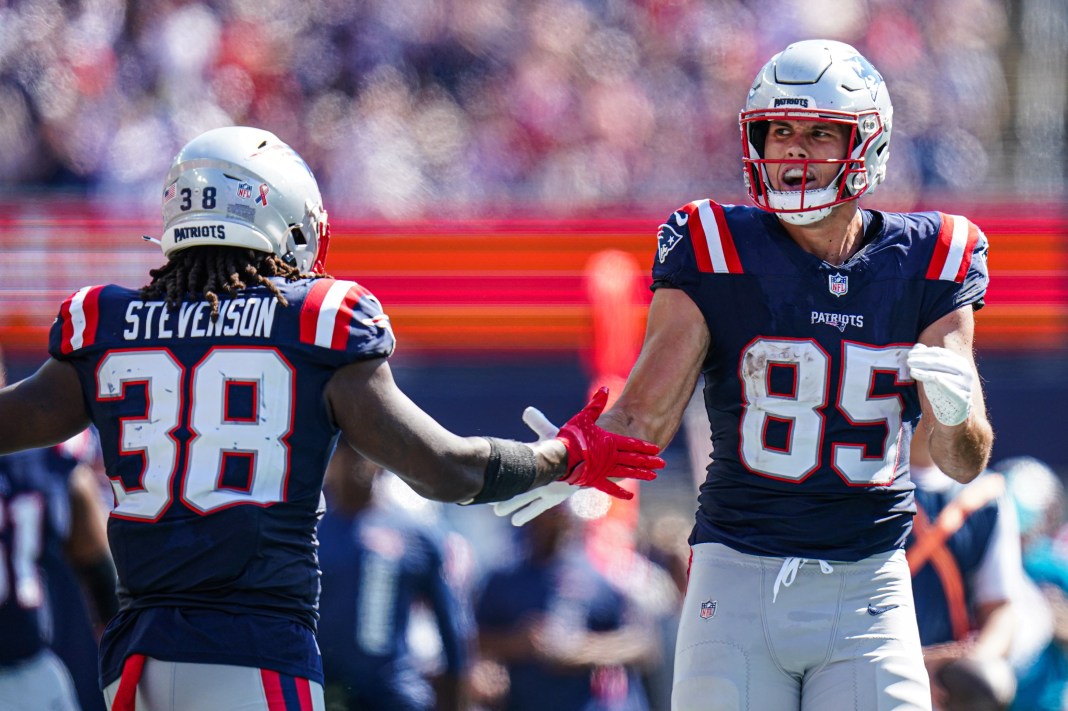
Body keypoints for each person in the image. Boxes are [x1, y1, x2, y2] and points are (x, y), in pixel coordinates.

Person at [0, 125, 664, 711]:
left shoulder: (105, 323)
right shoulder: (313, 320)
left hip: (137, 661)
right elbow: (446, 468)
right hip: (255, 652)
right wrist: (567, 454)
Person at [496, 39, 994, 710]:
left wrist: (959, 414)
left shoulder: (933, 256)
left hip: (869, 584)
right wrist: (561, 458)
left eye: (821, 133)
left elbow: (961, 460)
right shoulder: (713, 245)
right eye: (779, 131)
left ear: (870, 143)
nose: (795, 152)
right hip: (735, 581)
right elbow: (643, 417)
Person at [317, 441, 472, 711]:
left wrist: (456, 700)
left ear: (382, 461)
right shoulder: (309, 533)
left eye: (362, 451)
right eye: (343, 453)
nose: (353, 463)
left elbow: (452, 627)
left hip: (392, 692)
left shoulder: (417, 534)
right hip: (324, 688)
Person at [0, 357, 118, 711]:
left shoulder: (50, 456)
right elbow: (96, 562)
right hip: (27, 667)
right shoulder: (48, 453)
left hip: (28, 668)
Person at [474, 502, 657, 711]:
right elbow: (471, 640)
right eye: (546, 513)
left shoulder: (599, 576)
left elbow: (642, 643)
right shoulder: (503, 579)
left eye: (559, 513)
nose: (552, 521)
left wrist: (581, 649)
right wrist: (516, 643)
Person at [906, 426, 1023, 711]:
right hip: (863, 664)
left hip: (942, 689)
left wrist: (967, 666)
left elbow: (1000, 609)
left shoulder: (986, 497)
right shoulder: (861, 488)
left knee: (991, 682)